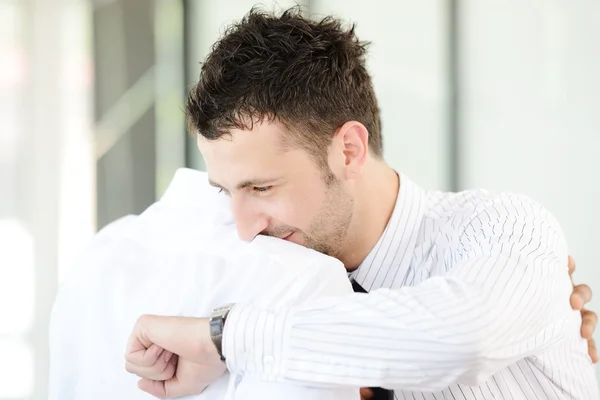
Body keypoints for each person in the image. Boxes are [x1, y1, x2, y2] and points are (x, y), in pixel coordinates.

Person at [124, 7, 599, 400]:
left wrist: (227, 341)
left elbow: (463, 339)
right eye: (227, 191)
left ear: (348, 150)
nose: (244, 227)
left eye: (262, 188)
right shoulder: (259, 273)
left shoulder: (505, 228)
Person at [48, 168, 360, 400]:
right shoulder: (307, 277)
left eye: (263, 188)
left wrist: (221, 338)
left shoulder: (101, 250)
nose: (245, 228)